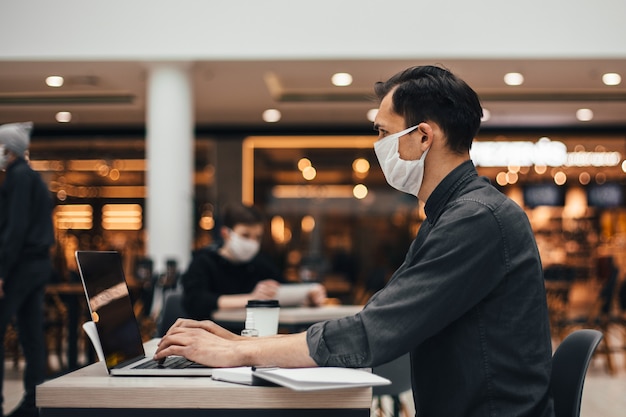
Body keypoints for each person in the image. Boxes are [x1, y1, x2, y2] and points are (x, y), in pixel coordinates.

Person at [155, 66, 554, 417]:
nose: (377, 145)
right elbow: (381, 313)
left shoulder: (474, 220)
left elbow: (375, 331)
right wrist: (259, 345)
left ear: (423, 138)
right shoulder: (453, 214)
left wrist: (240, 352)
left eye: (383, 132)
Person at [181, 203, 325, 323]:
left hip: (253, 339)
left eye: (257, 237)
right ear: (226, 234)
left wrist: (307, 294)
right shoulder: (204, 262)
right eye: (245, 235)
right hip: (209, 337)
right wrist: (252, 299)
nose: (252, 242)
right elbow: (196, 301)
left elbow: (282, 285)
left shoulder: (260, 262)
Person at [0, 122, 55, 417]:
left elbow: (15, 228)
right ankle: (34, 401)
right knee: (32, 334)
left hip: (20, 266)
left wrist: (2, 271)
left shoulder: (18, 177)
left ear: (9, 149)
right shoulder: (34, 178)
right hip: (38, 265)